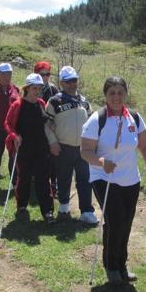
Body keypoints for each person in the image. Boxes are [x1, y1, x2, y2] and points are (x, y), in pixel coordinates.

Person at [80, 76, 146, 284]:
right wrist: (101, 161)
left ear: (126, 94)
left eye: (120, 92)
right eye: (112, 93)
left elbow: (145, 148)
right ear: (105, 95)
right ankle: (112, 267)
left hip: (130, 179)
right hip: (104, 177)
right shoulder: (97, 119)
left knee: (126, 223)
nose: (116, 97)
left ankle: (122, 265)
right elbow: (85, 152)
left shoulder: (135, 117)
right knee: (115, 221)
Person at [45, 66, 97, 224]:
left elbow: (92, 122)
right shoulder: (55, 101)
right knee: (63, 178)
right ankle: (64, 207)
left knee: (85, 179)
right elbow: (46, 124)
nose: (72, 84)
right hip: (63, 147)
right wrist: (52, 142)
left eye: (74, 80)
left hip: (83, 149)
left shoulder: (84, 101)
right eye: (68, 81)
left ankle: (87, 211)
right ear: (61, 83)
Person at [5, 73, 56, 224]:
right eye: (34, 88)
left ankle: (47, 212)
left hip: (41, 148)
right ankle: (22, 205)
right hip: (24, 148)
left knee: (43, 180)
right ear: (27, 88)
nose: (37, 91)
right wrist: (14, 136)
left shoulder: (40, 103)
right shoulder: (18, 104)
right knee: (24, 178)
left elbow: (45, 120)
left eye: (39, 88)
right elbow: (7, 123)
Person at [34, 61, 60, 198]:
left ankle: (53, 184)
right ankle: (40, 182)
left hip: (50, 127)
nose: (45, 77)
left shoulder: (53, 89)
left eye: (47, 74)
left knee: (53, 157)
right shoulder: (31, 88)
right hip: (37, 128)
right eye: (42, 74)